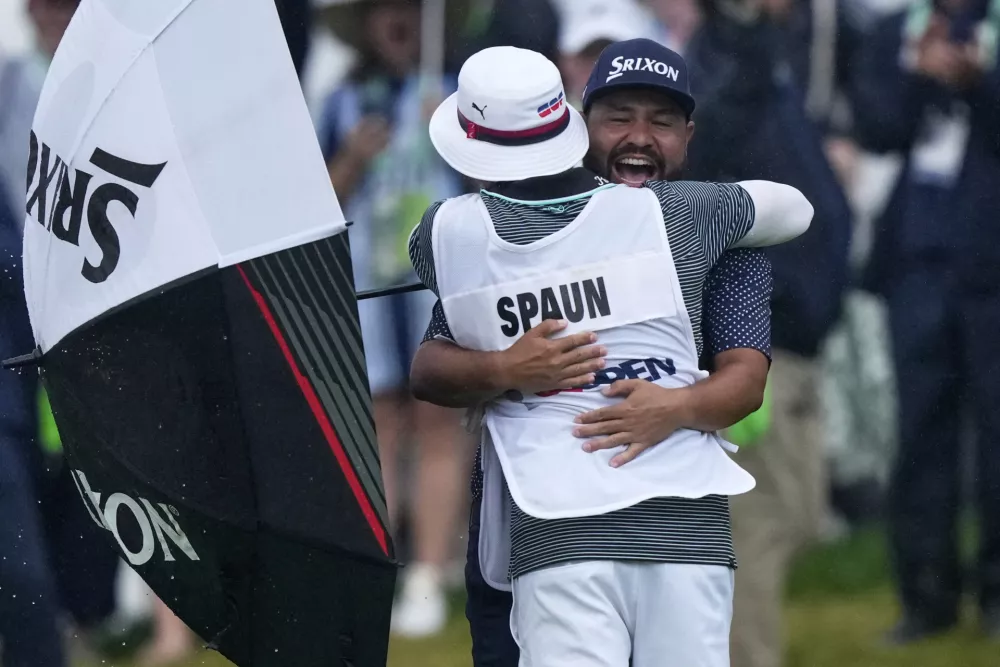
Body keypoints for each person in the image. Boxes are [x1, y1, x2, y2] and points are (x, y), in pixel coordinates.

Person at [408, 42, 812, 666]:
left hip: (673, 527)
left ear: (690, 134)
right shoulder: (478, 236)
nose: (640, 138)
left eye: (663, 122)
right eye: (619, 118)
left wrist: (674, 408)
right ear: (580, 125)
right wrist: (503, 369)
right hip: (536, 531)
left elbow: (746, 380)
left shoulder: (716, 234)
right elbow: (429, 367)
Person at [315, 0, 472, 637]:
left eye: (410, 8)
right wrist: (352, 157)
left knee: (438, 420)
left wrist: (456, 139)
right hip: (367, 290)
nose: (398, 20)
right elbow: (315, 205)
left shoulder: (459, 92)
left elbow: (501, 187)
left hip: (441, 286)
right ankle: (379, 564)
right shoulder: (342, 102)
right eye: (385, 10)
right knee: (376, 424)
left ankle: (429, 572)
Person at [854, 0, 1000, 643]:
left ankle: (996, 595)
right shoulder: (897, 31)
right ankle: (926, 595)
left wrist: (980, 81)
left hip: (992, 263)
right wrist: (919, 71)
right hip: (918, 264)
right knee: (919, 438)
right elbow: (875, 125)